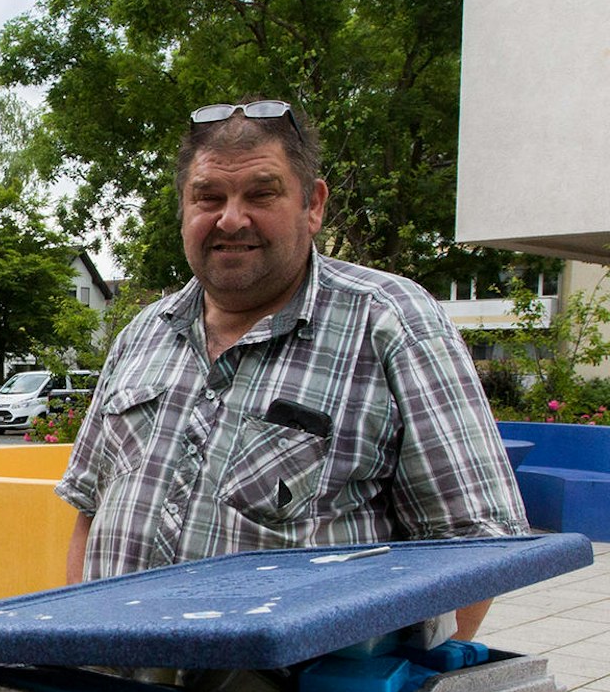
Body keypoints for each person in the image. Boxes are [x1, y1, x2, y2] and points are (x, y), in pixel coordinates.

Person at [58, 96, 527, 643]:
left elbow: (473, 547)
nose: (231, 218)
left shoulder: (393, 324)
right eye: (208, 196)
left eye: (261, 193)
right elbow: (89, 516)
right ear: (183, 208)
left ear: (314, 204)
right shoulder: (140, 335)